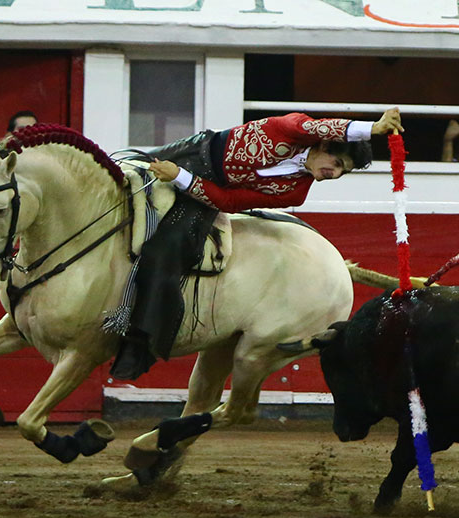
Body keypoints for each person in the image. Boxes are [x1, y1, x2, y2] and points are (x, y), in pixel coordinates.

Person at [110, 107, 405, 379]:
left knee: (166, 250)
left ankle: (140, 341)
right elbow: (320, 126)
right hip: (190, 152)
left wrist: (181, 178)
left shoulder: (296, 192)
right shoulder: (290, 129)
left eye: (343, 171)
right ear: (324, 145)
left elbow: (228, 200)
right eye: (337, 163)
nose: (335, 174)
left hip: (201, 191)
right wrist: (373, 128)